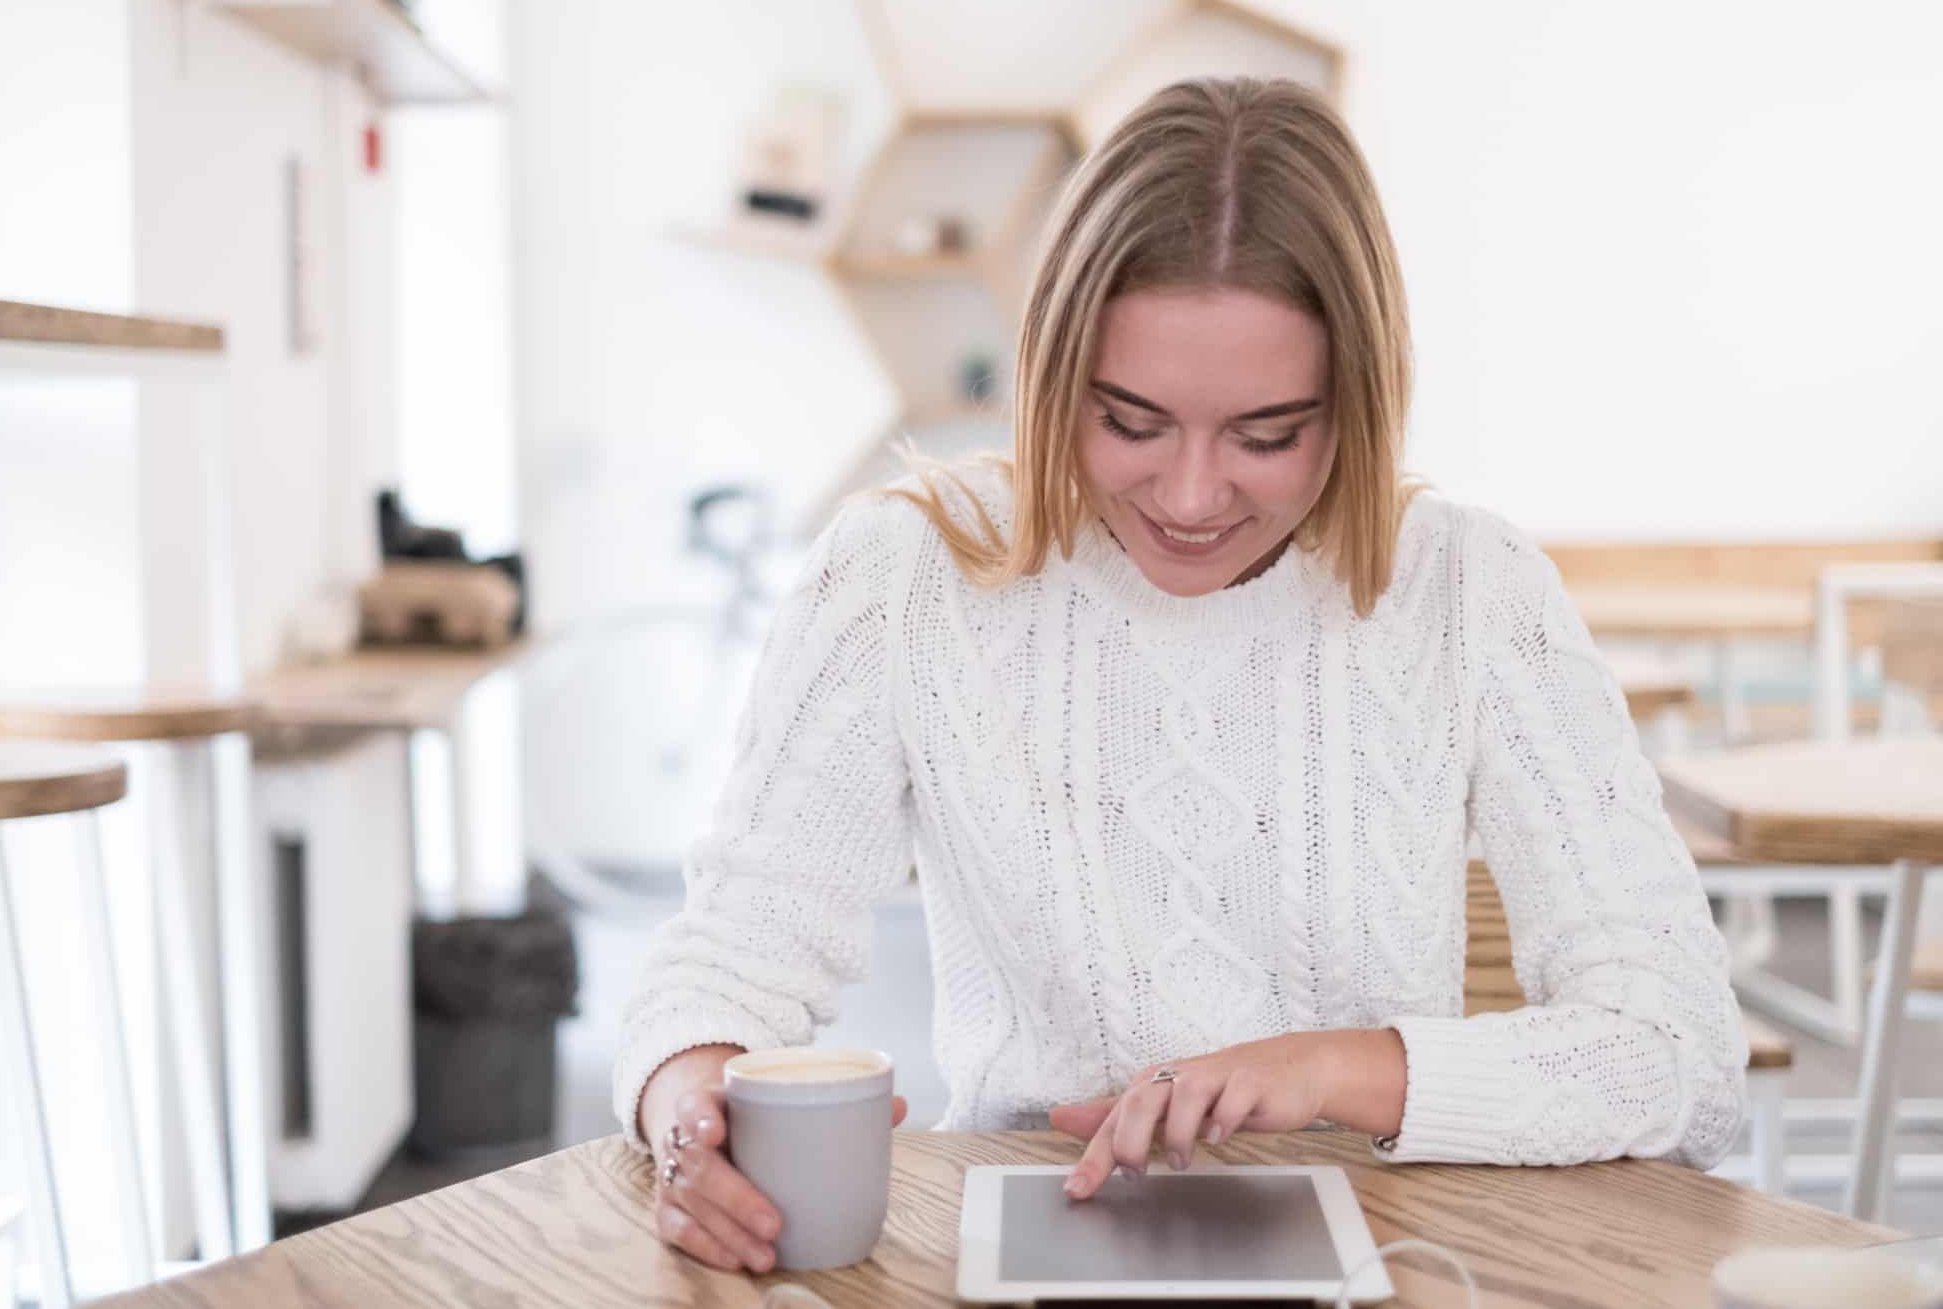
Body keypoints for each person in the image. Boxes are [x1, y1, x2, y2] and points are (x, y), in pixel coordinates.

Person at [614, 77, 1747, 1275]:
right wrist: (685, 1105)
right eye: (1131, 420)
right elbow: (729, 958)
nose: (1194, 497)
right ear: (1054, 376)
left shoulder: (1467, 590)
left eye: (1267, 436)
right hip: (1029, 1239)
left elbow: (1681, 1055)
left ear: (1357, 405)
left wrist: (1322, 1066)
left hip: (1395, 1252)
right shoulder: (904, 574)